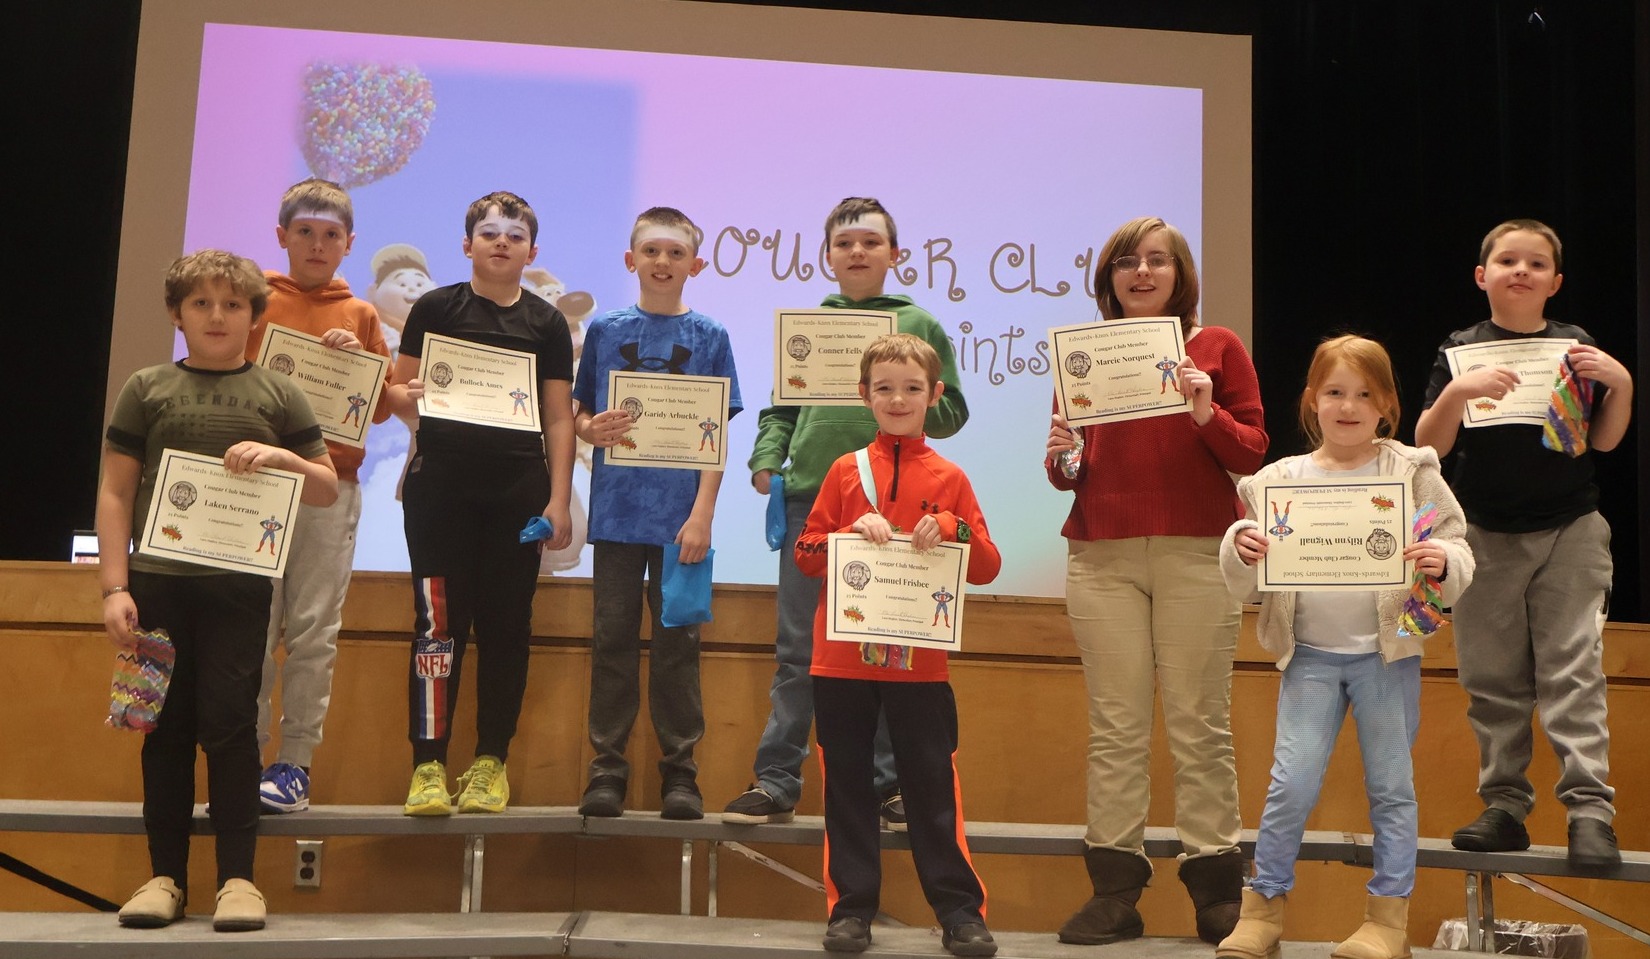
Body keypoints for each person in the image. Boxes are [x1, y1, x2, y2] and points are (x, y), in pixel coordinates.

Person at [98, 250, 339, 932]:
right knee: (163, 728)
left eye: (232, 304)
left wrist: (285, 458)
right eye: (201, 303)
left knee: (232, 725)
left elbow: (322, 486)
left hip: (240, 590)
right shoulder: (145, 388)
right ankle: (164, 878)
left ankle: (238, 881)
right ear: (177, 313)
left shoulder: (277, 393)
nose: (217, 315)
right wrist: (114, 586)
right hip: (156, 588)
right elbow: (116, 493)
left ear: (254, 318)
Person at [1215, 335, 1475, 959]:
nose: (1348, 405)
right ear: (1312, 400)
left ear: (1387, 404)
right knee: (1290, 784)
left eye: (1364, 394)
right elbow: (1241, 575)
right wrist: (1239, 548)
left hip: (1388, 658)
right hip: (1308, 656)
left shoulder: (1411, 472)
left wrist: (1443, 561)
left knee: (1391, 785)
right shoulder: (1276, 481)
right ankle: (1263, 910)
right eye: (1335, 392)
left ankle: (1387, 921)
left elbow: (1457, 543)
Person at [1045, 216, 1266, 946]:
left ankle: (1214, 890)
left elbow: (1253, 447)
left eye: (1157, 261)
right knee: (1116, 725)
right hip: (1101, 555)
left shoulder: (1217, 347)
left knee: (1200, 722)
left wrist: (1204, 409)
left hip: (1198, 551)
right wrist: (1063, 457)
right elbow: (1066, 470)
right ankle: (1115, 891)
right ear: (1108, 277)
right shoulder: (1083, 354)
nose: (1141, 273)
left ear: (1180, 274)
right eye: (1126, 263)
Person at [727, 196, 968, 829]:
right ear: (827, 256)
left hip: (894, 507)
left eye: (870, 242)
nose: (856, 252)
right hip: (814, 497)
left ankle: (888, 790)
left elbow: (953, 410)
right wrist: (767, 461)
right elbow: (780, 411)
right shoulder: (809, 327)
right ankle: (777, 779)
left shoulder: (916, 322)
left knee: (888, 645)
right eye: (844, 243)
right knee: (797, 648)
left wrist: (898, 400)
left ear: (895, 254)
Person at [1414, 219, 1633, 869]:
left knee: (1574, 671)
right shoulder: (1461, 349)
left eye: (1536, 263)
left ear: (1554, 282)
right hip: (1482, 534)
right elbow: (1430, 445)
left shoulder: (1576, 345)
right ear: (1482, 276)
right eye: (1506, 260)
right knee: (1493, 678)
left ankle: (1590, 811)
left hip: (1569, 527)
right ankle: (1505, 804)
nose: (1520, 271)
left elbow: (1603, 441)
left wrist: (1620, 382)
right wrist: (1457, 391)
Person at [798, 333, 1002, 957]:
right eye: (884, 388)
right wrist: (844, 536)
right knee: (848, 787)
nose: (897, 398)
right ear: (864, 395)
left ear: (934, 396)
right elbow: (807, 556)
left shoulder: (951, 477)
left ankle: (960, 913)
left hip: (920, 664)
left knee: (932, 788)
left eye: (912, 388)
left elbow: (988, 564)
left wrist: (951, 526)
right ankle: (851, 909)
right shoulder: (841, 472)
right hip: (841, 660)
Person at [385, 191, 576, 816]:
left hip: (518, 495)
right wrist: (404, 394)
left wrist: (558, 500)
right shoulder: (434, 308)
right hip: (439, 490)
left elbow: (556, 417)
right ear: (466, 245)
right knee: (437, 626)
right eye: (488, 233)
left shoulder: (547, 322)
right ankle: (429, 766)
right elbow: (399, 396)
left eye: (514, 235)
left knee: (506, 627)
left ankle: (491, 762)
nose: (501, 242)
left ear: (532, 252)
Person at [571, 207, 742, 821]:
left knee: (678, 647)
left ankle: (681, 775)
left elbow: (714, 435)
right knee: (611, 641)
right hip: (616, 517)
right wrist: (595, 428)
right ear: (631, 260)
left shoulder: (711, 338)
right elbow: (582, 417)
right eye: (651, 252)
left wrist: (702, 516)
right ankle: (607, 770)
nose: (662, 263)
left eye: (675, 253)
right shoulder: (605, 330)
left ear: (695, 264)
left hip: (681, 527)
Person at [246, 177, 393, 814]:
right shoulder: (251, 302)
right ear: (282, 236)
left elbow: (382, 408)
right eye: (304, 231)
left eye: (330, 235)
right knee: (251, 631)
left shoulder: (361, 315)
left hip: (330, 488)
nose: (316, 244)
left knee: (312, 631)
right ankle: (242, 760)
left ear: (349, 245)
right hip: (250, 487)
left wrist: (359, 361)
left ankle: (293, 764)